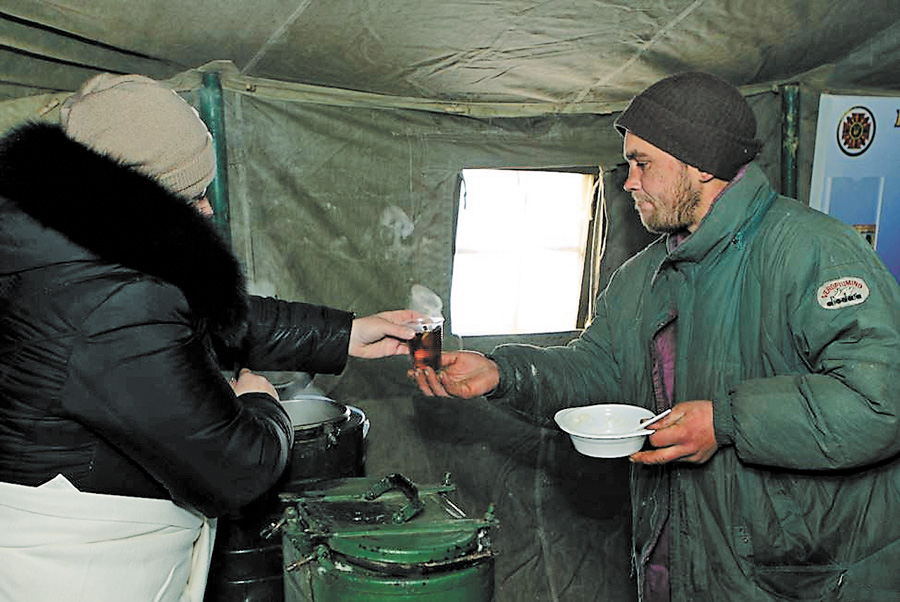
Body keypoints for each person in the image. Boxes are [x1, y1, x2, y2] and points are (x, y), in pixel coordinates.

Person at [413, 72, 900, 601]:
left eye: (642, 162)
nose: (628, 182)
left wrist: (728, 420)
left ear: (703, 165)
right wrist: (504, 373)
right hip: (676, 563)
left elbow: (882, 402)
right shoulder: (643, 275)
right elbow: (598, 371)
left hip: (795, 578)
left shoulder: (810, 250)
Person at [0, 73, 419, 602]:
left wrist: (343, 333)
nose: (208, 210)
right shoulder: (111, 298)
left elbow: (190, 311)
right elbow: (233, 470)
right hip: (82, 564)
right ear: (135, 198)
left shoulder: (52, 240)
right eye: (192, 195)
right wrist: (263, 407)